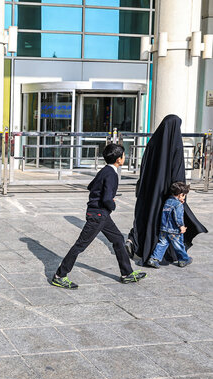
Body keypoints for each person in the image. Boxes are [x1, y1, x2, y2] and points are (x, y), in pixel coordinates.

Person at [52, 144, 147, 289]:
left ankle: (126, 273)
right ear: (118, 159)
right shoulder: (112, 174)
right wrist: (112, 204)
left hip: (100, 214)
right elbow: (107, 199)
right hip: (98, 214)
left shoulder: (105, 170)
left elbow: (91, 186)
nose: (124, 158)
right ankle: (59, 275)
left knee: (118, 239)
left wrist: (101, 194)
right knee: (80, 245)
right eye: (123, 155)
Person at [126, 114, 207, 264]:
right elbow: (177, 171)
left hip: (151, 193)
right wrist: (180, 193)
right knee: (170, 226)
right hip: (170, 193)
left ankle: (142, 247)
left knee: (149, 219)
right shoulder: (176, 144)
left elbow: (144, 169)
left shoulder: (153, 144)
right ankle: (175, 256)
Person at [146, 182, 193, 268]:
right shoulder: (178, 204)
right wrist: (181, 226)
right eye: (184, 195)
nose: (184, 197)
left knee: (162, 244)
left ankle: (154, 259)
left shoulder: (168, 201)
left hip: (164, 228)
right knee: (178, 245)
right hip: (174, 230)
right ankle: (184, 259)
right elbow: (178, 217)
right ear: (180, 195)